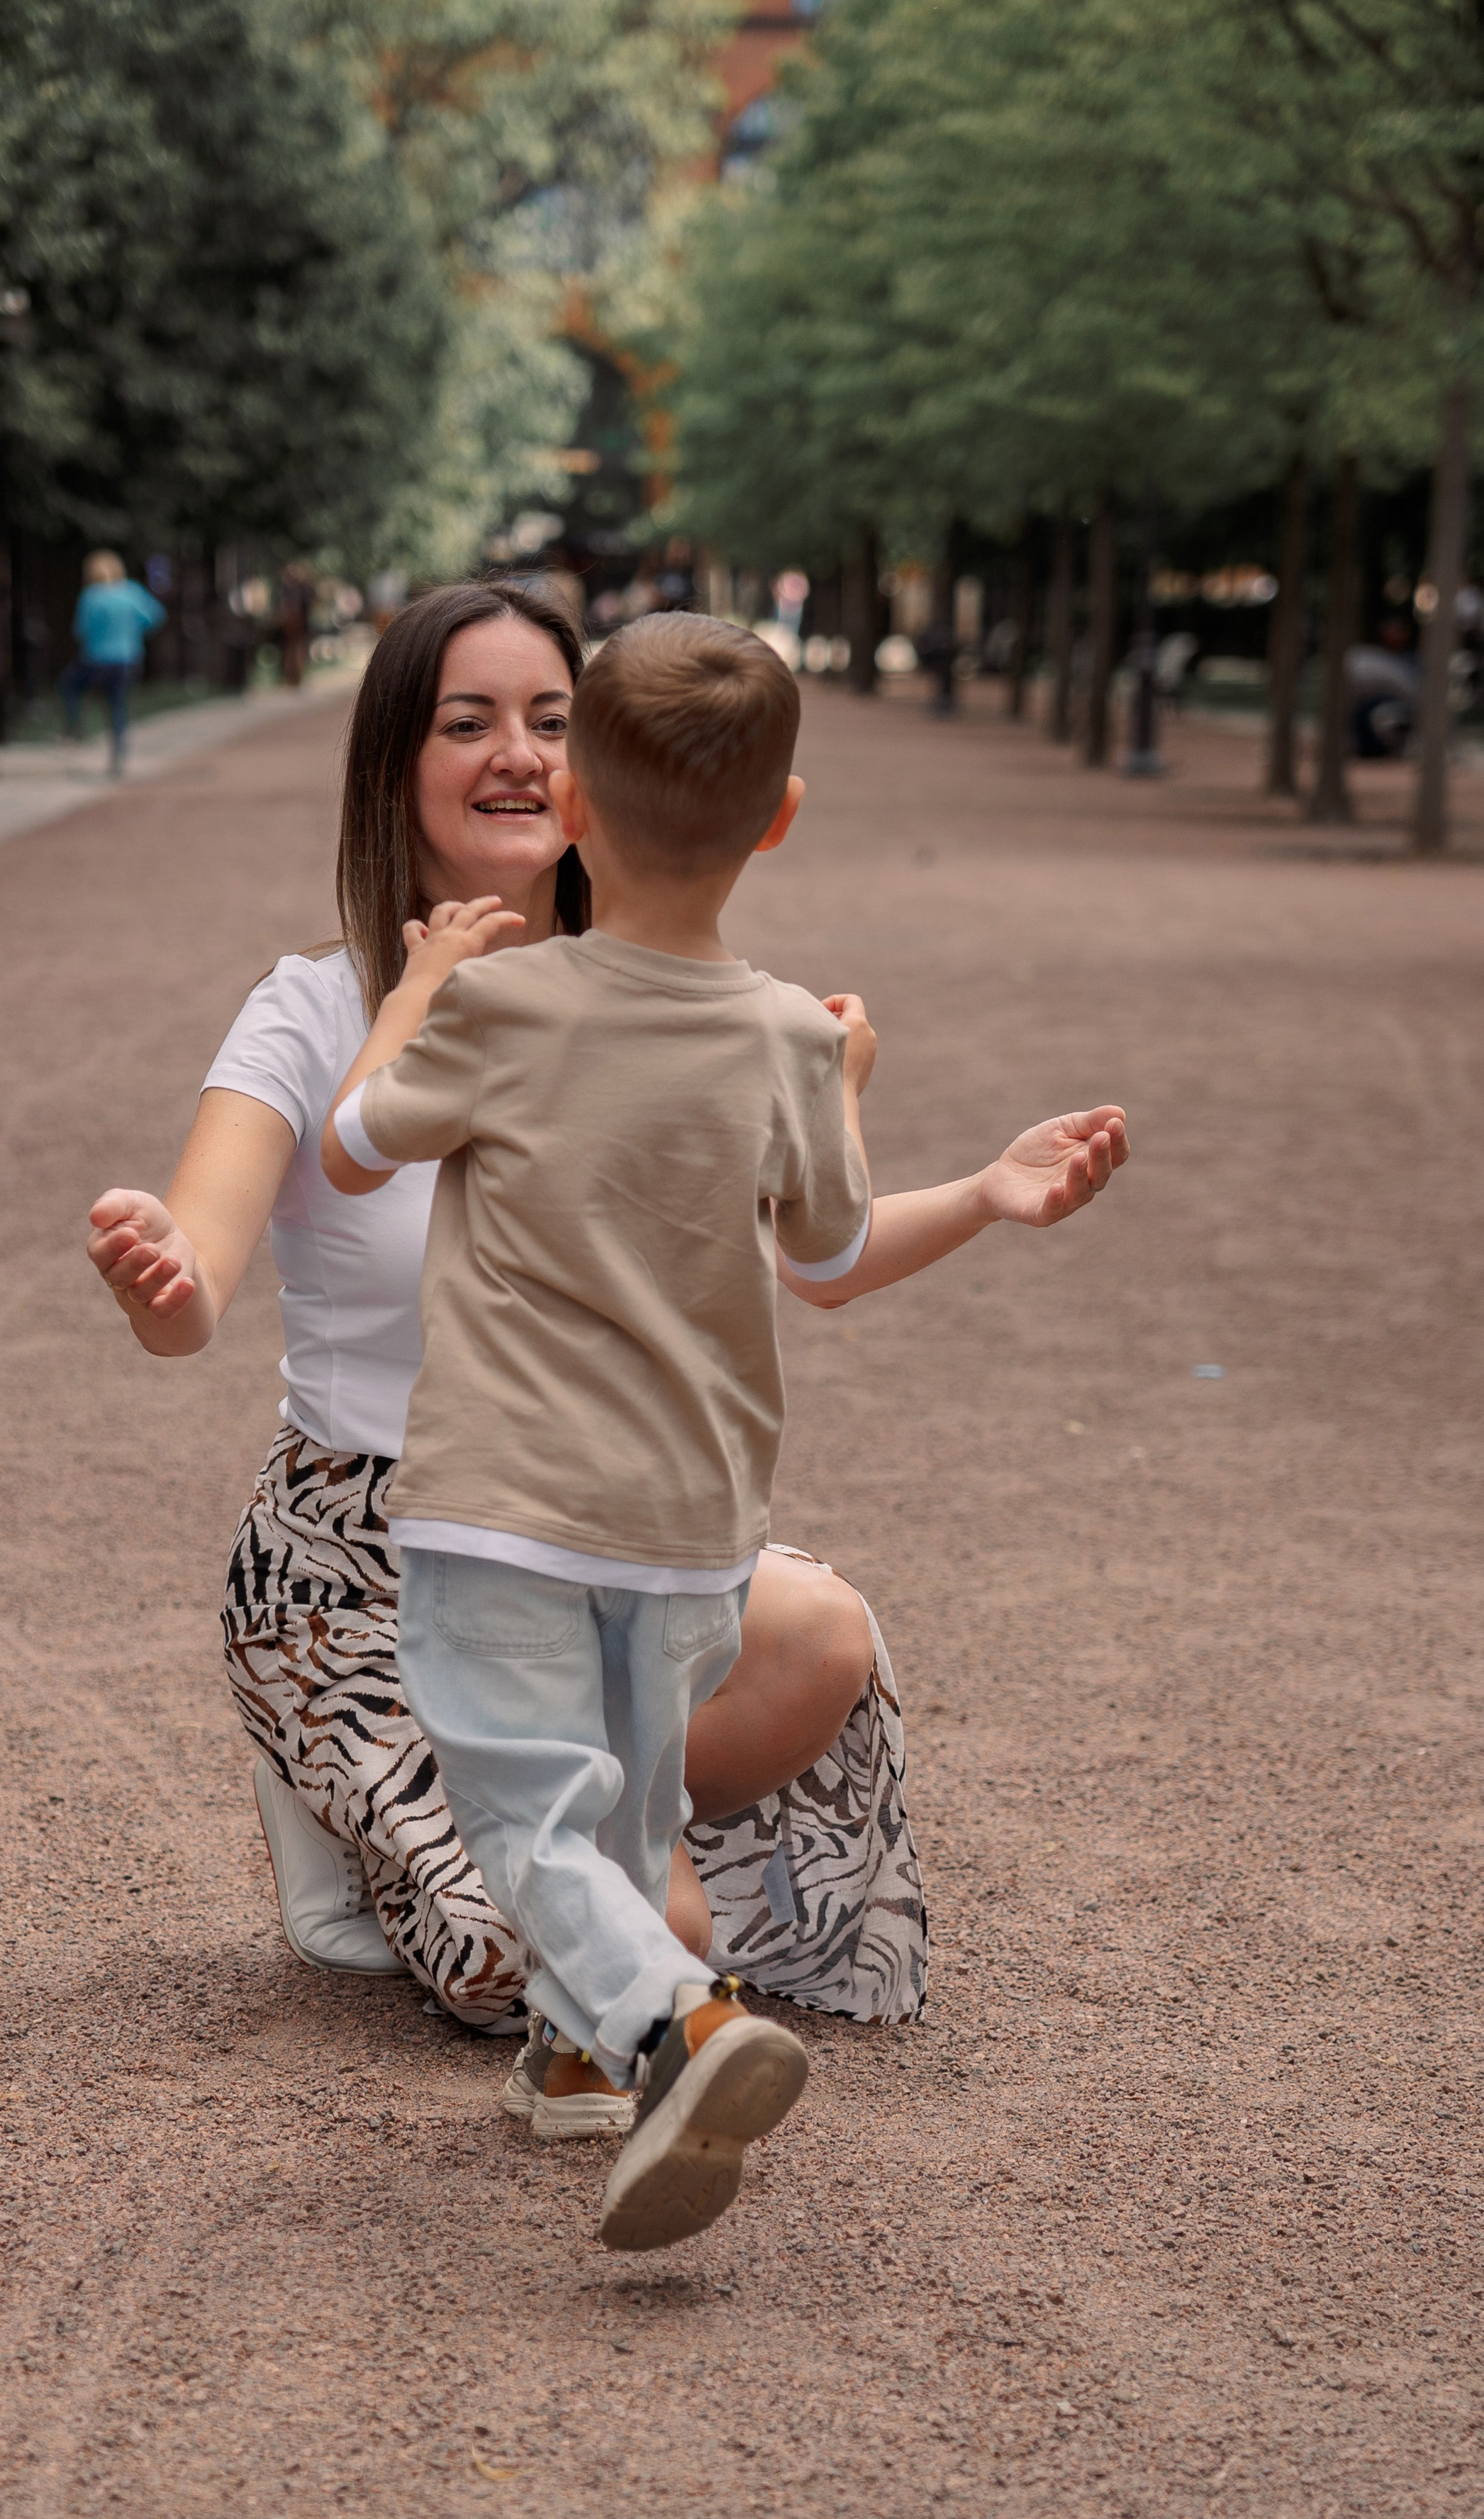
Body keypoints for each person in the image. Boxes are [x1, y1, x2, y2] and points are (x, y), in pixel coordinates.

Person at [85, 584, 1126, 2124]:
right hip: (369, 1548)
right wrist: (158, 1274)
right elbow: (203, 1278)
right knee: (612, 1948)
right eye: (466, 722)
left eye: (548, 720)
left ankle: (566, 1853)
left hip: (594, 1521)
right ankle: (441, 1831)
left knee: (818, 1638)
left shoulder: (684, 1004)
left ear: (594, 773)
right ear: (393, 762)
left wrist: (981, 1189)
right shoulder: (318, 1008)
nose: (514, 755)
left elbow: (813, 1258)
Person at [60, 551, 164, 776]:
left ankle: (75, 727)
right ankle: (118, 753)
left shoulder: (91, 596)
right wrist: (132, 631)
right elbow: (154, 617)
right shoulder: (132, 592)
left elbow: (81, 630)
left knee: (69, 684)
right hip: (128, 659)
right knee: (117, 706)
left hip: (96, 660)